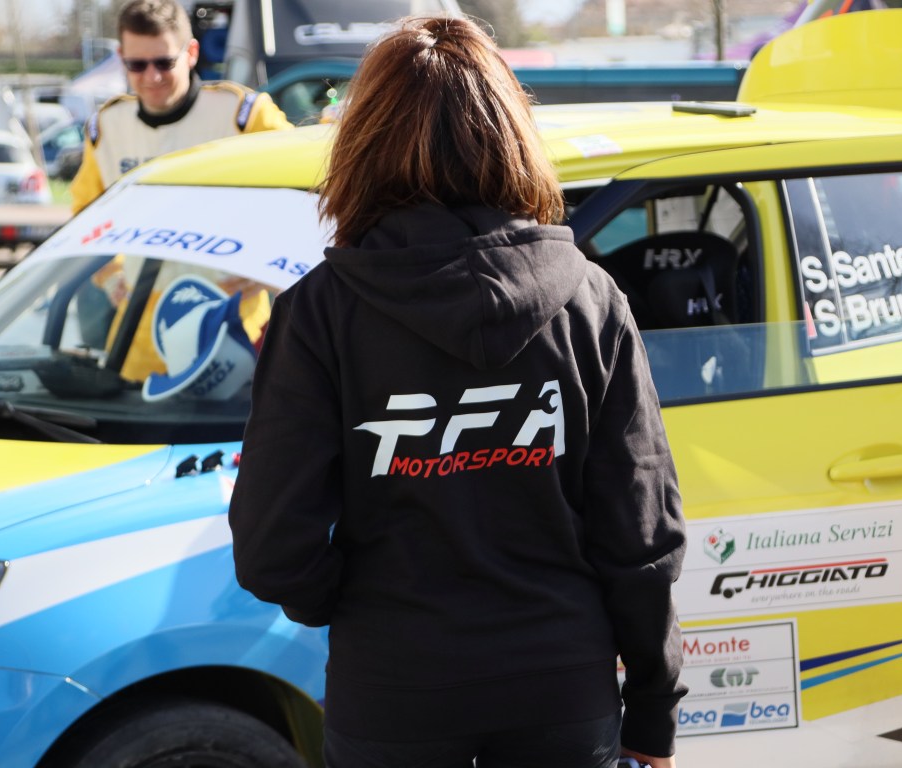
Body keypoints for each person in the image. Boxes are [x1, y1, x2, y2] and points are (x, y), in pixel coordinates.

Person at [228, 15, 687, 768]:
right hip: (559, 689)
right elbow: (641, 535)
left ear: (364, 142)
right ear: (512, 135)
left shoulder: (319, 314)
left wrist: (355, 606)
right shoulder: (591, 301)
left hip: (394, 689)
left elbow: (271, 545)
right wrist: (654, 709)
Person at [70, 0, 292, 213]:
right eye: (137, 64)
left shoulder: (244, 115)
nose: (152, 77)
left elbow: (298, 186)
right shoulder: (105, 126)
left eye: (164, 63)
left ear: (191, 53)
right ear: (121, 57)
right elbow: (84, 214)